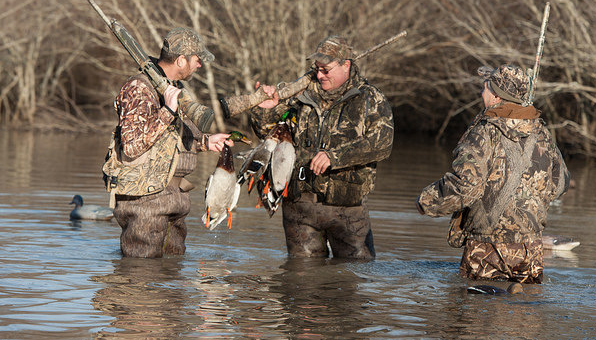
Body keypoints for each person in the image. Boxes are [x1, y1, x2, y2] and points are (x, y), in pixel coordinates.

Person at [415, 64, 570, 283]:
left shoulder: (483, 133)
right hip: (531, 250)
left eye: (485, 88)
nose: (481, 93)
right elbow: (561, 183)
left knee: (478, 311)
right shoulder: (542, 132)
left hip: (487, 248)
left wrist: (426, 200)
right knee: (525, 311)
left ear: (496, 96)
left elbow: (466, 188)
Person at [251, 35, 394, 259]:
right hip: (300, 207)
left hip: (348, 209)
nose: (319, 75)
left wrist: (334, 156)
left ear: (346, 65)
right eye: (316, 69)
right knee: (300, 284)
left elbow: (382, 144)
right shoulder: (299, 94)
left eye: (325, 70)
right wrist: (264, 109)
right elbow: (266, 133)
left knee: (351, 280)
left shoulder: (370, 99)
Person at [108, 27, 233, 258]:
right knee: (140, 279)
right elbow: (132, 145)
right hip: (145, 203)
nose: (200, 65)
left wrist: (206, 143)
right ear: (181, 60)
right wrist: (167, 111)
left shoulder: (174, 90)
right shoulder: (138, 88)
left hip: (174, 199)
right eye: (197, 60)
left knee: (173, 280)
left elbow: (168, 143)